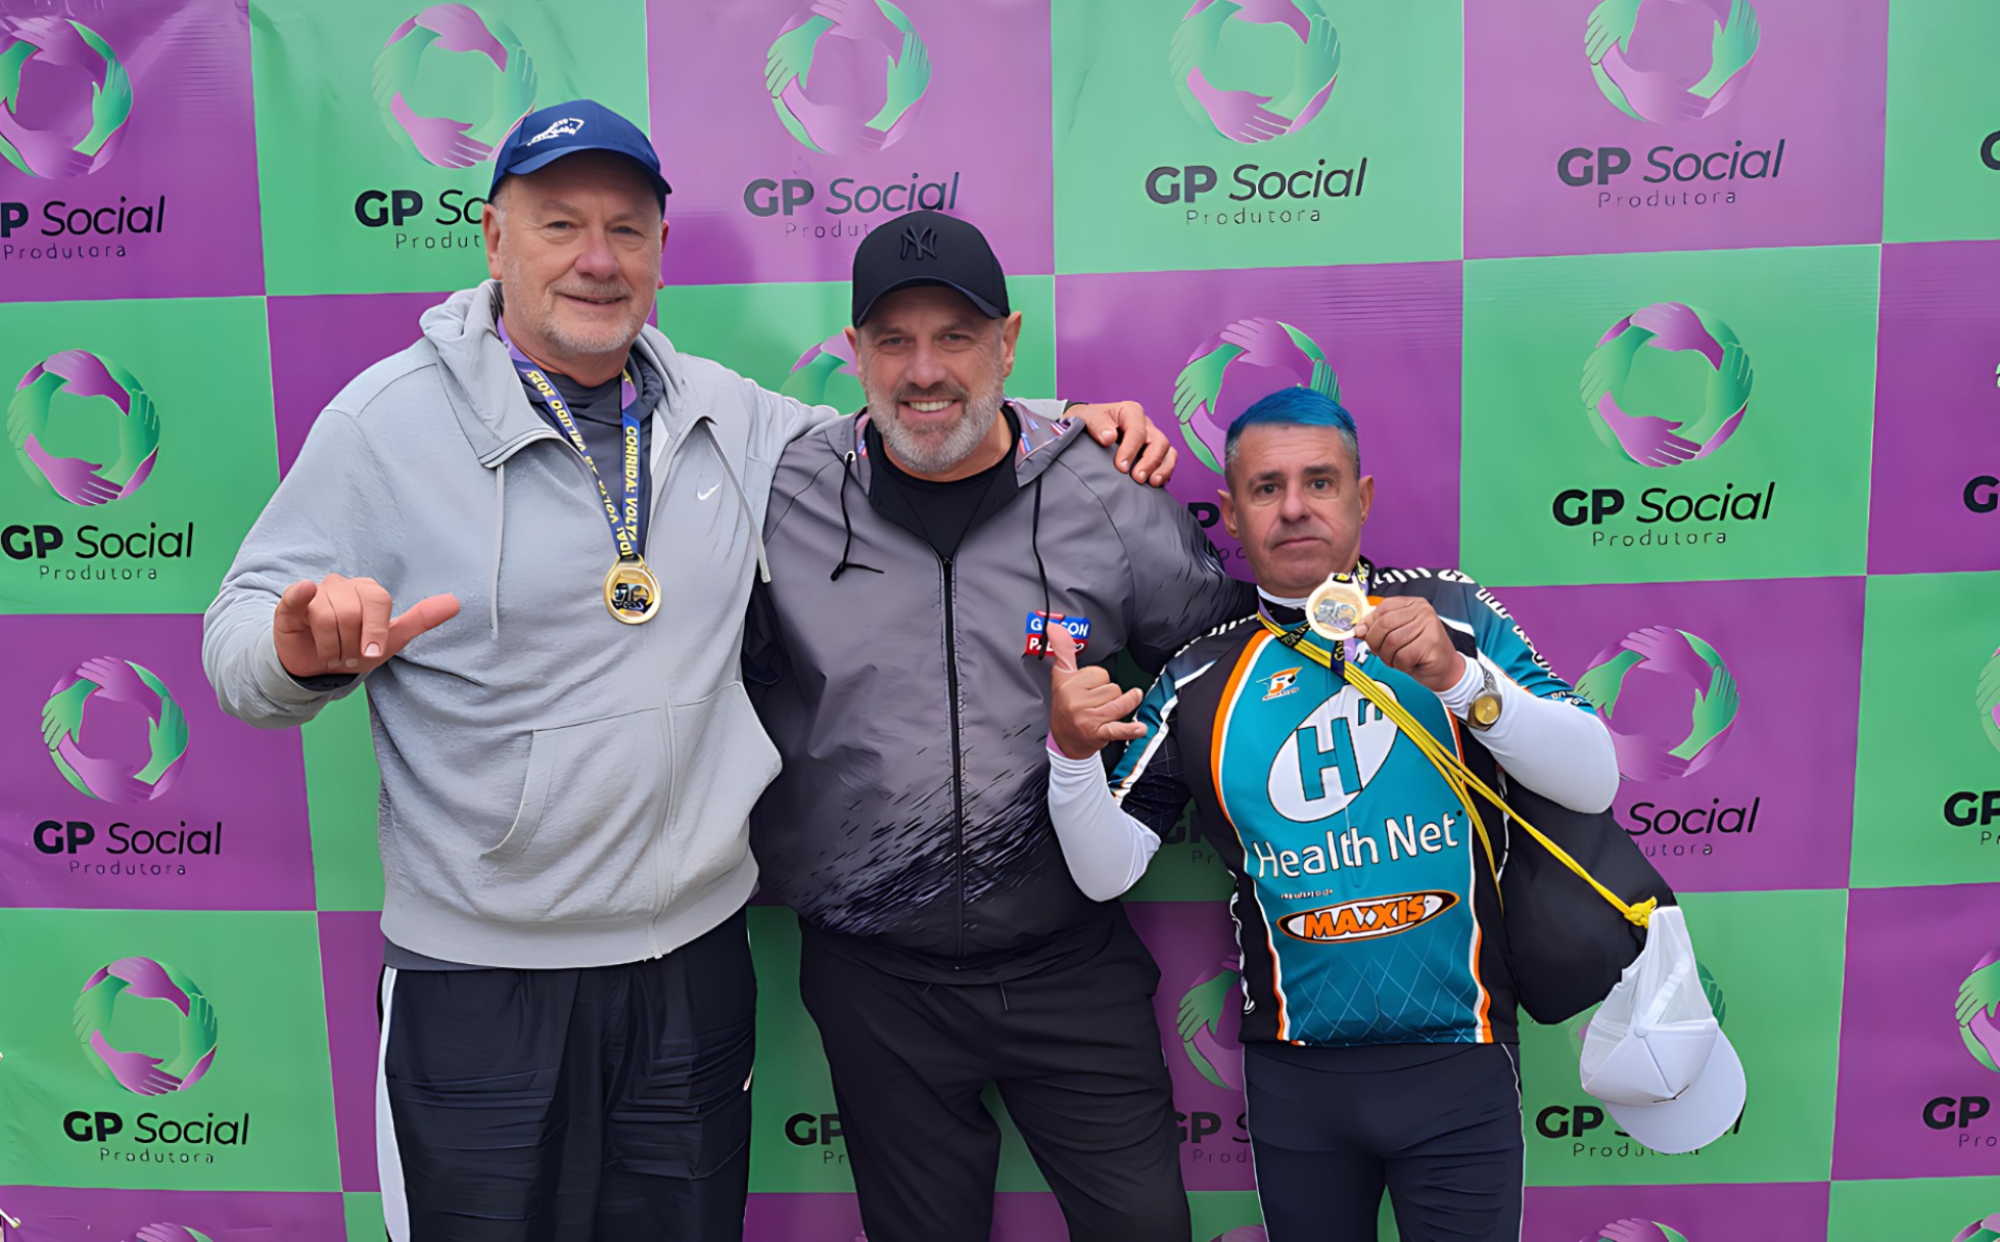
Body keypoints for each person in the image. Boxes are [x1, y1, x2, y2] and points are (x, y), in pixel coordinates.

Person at [200, 99, 1170, 1242]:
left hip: (692, 964)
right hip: (482, 976)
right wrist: (295, 653)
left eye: (626, 228)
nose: (597, 258)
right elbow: (239, 639)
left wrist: (1069, 425)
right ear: (494, 238)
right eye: (560, 224)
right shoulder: (386, 422)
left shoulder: (726, 413)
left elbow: (914, 422)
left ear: (661, 250)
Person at [744, 209, 1257, 1242]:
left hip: (1069, 963)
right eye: (894, 339)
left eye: (957, 336)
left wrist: (1133, 804)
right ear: (854, 352)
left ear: (1008, 342)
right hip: (874, 978)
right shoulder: (783, 489)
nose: (924, 370)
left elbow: (1219, 662)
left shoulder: (1106, 488)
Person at [1041, 387, 1621, 1242]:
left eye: (1320, 482)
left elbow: (1594, 778)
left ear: (1362, 497)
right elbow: (1106, 870)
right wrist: (1068, 754)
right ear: (1230, 515)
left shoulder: (1449, 615)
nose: (1294, 508)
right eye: (1266, 488)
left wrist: (1463, 683)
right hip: (1297, 1084)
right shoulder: (1199, 675)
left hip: (1461, 1062)